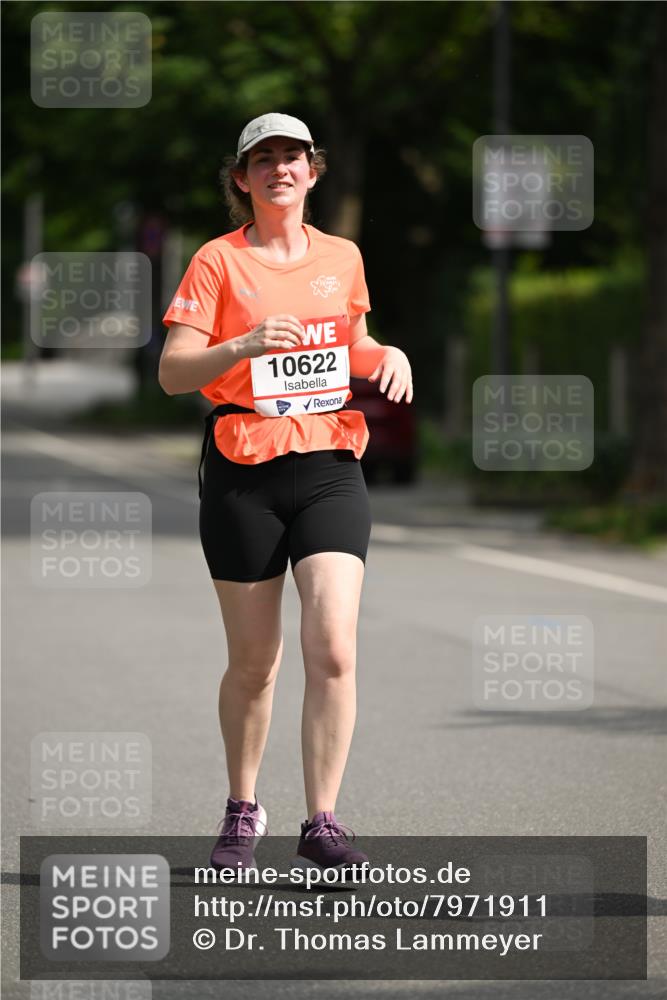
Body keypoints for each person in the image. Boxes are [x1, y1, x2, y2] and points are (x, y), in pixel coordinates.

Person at [159, 113, 413, 876]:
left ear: (313, 170)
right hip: (244, 465)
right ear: (242, 178)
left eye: (292, 156)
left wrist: (386, 351)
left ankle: (322, 822)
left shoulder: (343, 256)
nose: (279, 168)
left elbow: (353, 341)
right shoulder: (216, 261)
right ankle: (242, 810)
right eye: (262, 158)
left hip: (330, 459)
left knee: (332, 646)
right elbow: (175, 373)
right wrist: (240, 345)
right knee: (255, 662)